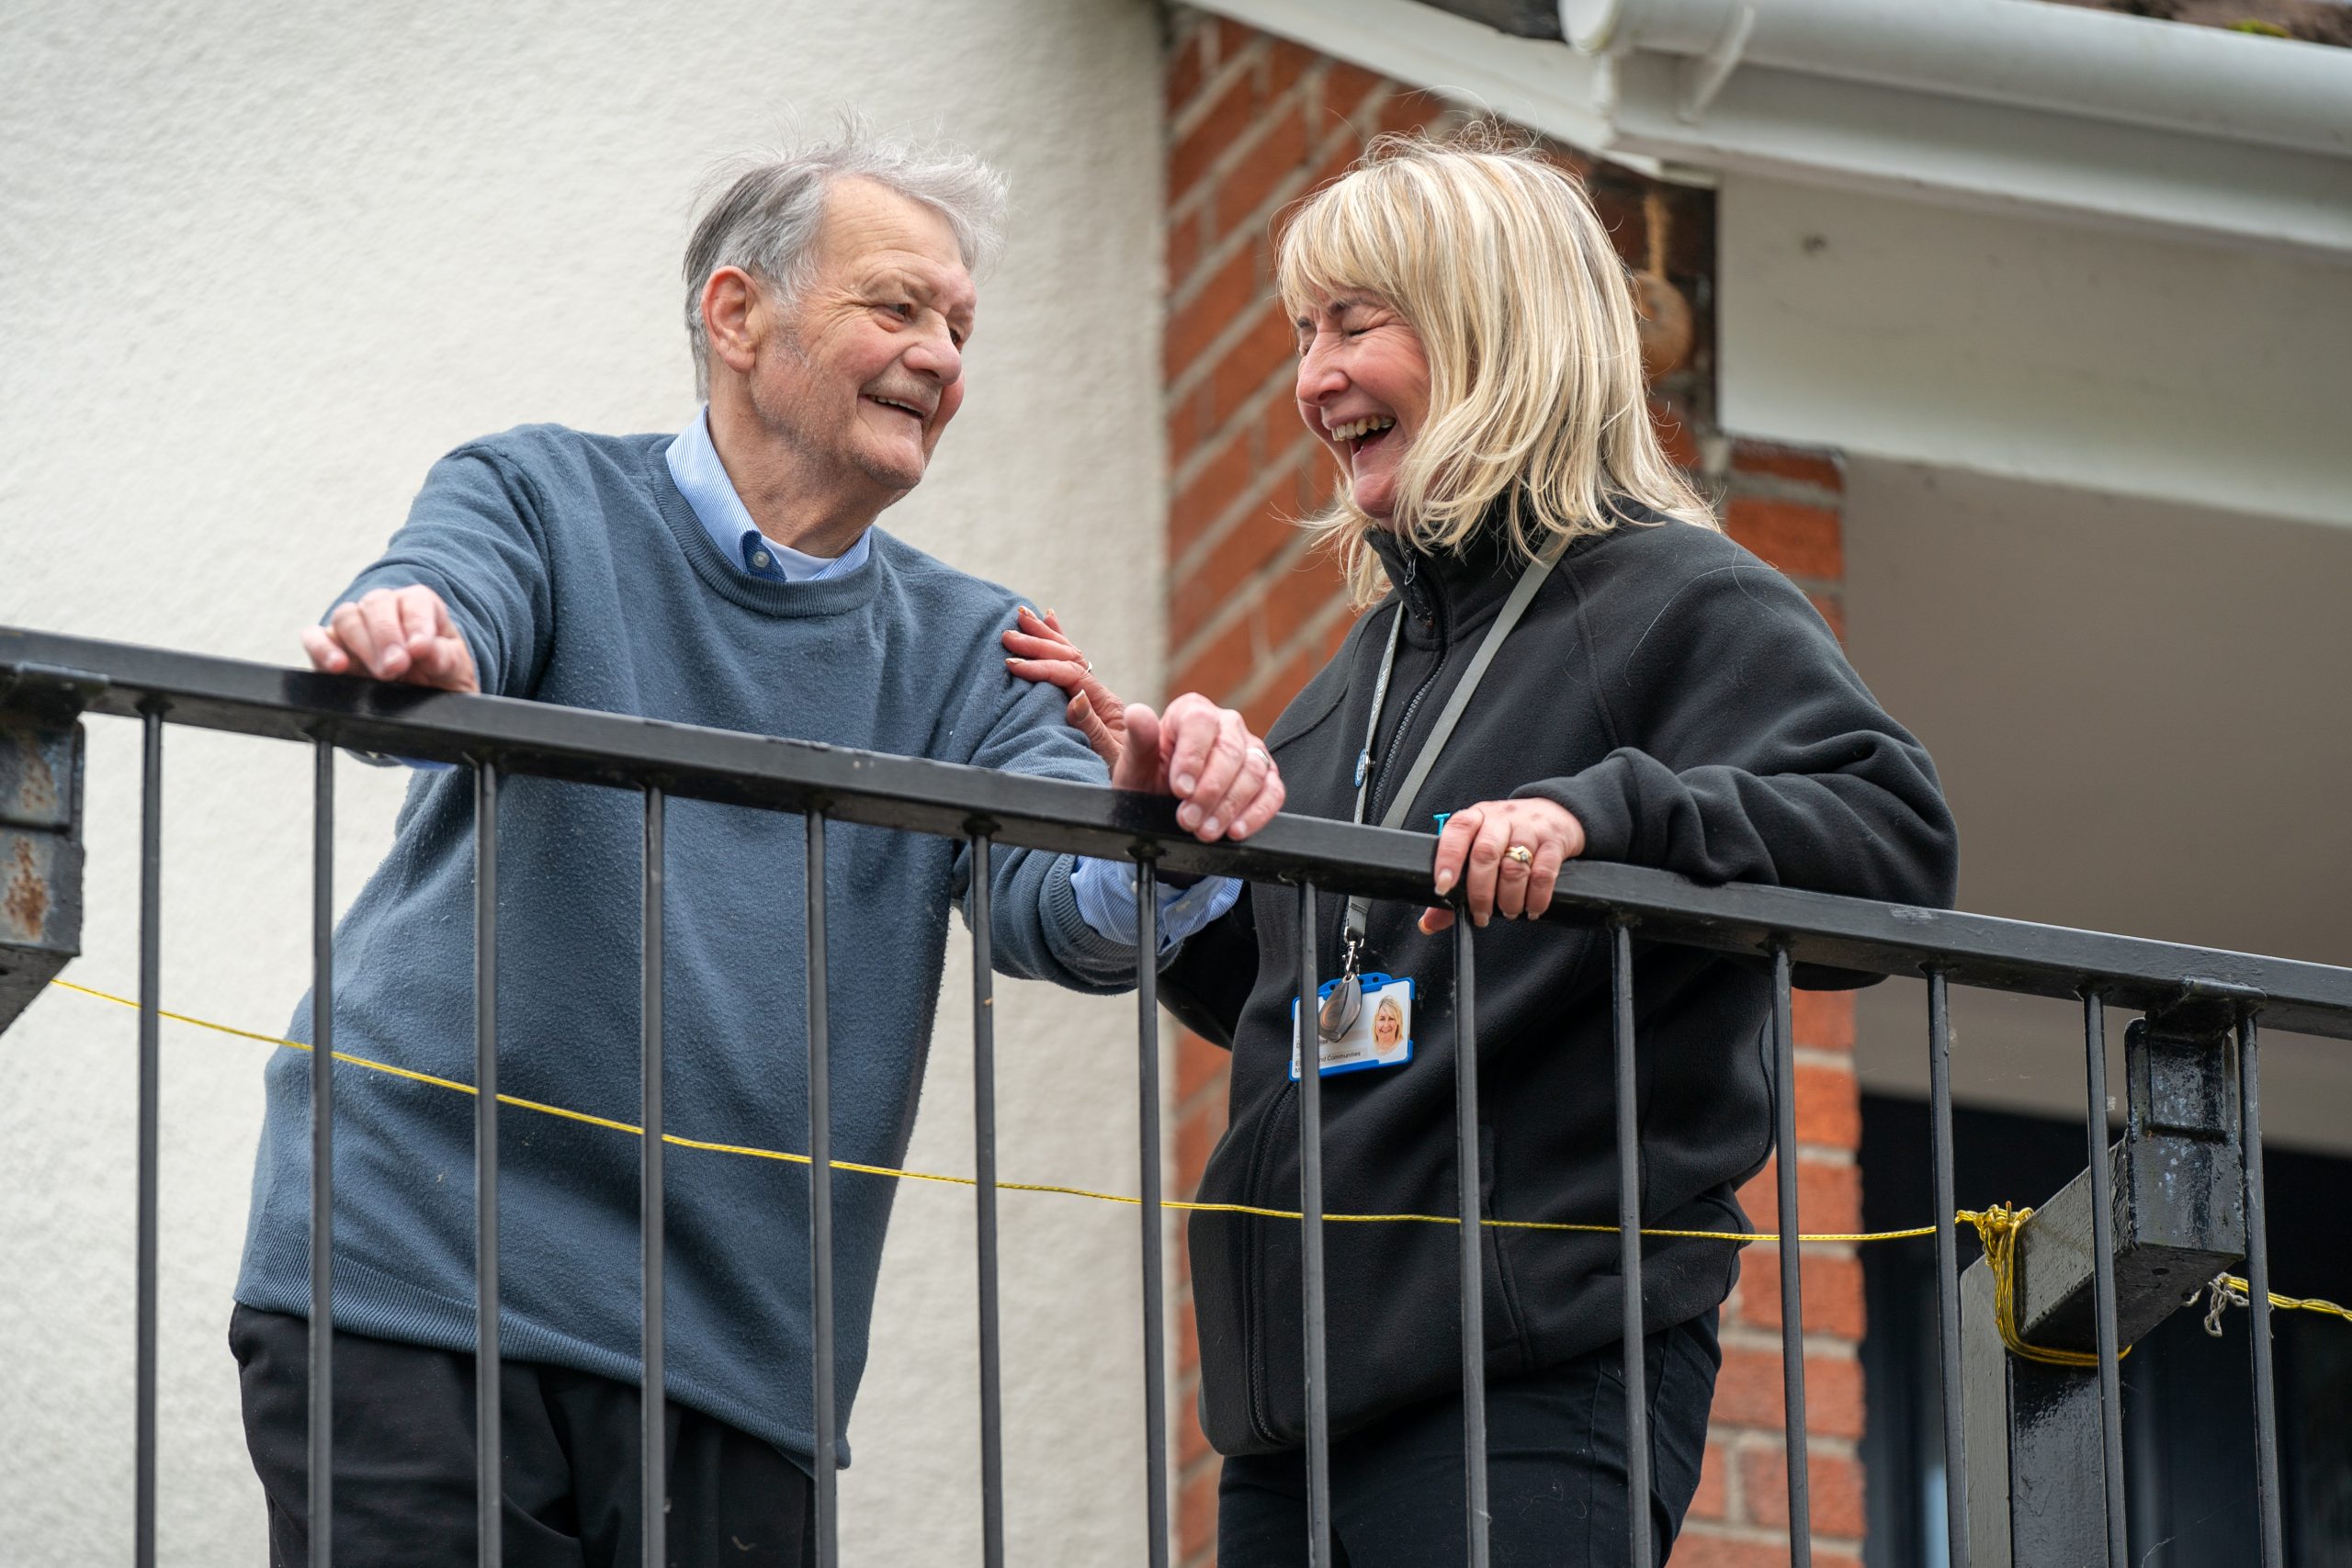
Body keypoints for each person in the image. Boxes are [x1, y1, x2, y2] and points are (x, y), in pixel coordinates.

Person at [232, 127, 1277, 1567]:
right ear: (738, 315)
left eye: (960, 327)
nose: (941, 356)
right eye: (898, 308)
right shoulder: (541, 494)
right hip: (417, 1270)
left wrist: (1162, 832)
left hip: (739, 1350)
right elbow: (436, 610)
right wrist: (410, 641)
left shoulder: (982, 649)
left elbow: (1059, 913)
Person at [1012, 130, 1959, 1565]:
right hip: (1291, 1418)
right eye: (1300, 335)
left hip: (1532, 1373)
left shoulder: (1678, 594)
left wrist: (1608, 813)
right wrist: (1182, 854)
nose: (1311, 377)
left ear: (1490, 333)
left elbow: (1894, 845)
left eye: (1354, 325)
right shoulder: (1356, 674)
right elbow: (1300, 994)